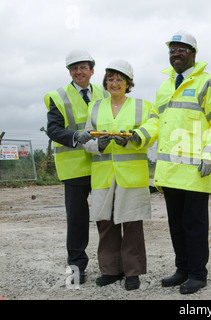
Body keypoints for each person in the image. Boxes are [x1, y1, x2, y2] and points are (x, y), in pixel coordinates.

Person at [139, 30, 211, 294]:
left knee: (194, 225)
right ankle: (182, 269)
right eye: (172, 50)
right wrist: (137, 137)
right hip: (170, 170)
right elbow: (155, 121)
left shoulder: (208, 84)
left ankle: (198, 274)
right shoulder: (165, 86)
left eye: (181, 49)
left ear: (193, 54)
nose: (175, 54)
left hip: (194, 170)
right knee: (176, 225)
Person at [83, 59, 152, 290]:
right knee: (106, 223)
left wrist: (134, 138)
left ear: (128, 83)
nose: (114, 83)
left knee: (132, 224)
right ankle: (111, 270)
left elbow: (153, 128)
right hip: (103, 175)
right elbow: (85, 138)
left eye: (119, 79)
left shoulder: (142, 106)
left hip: (131, 176)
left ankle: (132, 272)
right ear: (105, 82)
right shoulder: (95, 107)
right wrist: (97, 144)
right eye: (110, 79)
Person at [44, 49, 109, 284]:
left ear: (92, 70)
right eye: (73, 68)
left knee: (105, 218)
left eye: (82, 67)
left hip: (101, 165)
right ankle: (76, 268)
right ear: (69, 72)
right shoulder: (58, 96)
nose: (78, 72)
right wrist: (74, 136)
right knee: (77, 221)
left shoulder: (104, 92)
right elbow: (53, 129)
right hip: (74, 169)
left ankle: (109, 267)